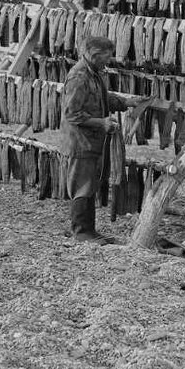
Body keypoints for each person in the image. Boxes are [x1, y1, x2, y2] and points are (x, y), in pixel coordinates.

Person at [62, 36, 128, 243]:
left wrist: (127, 102)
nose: (108, 61)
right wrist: (102, 123)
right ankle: (81, 232)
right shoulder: (79, 78)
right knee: (81, 186)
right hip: (80, 142)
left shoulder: (94, 74)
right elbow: (72, 114)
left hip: (91, 142)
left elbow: (102, 98)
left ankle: (88, 231)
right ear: (94, 54)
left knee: (89, 185)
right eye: (105, 57)